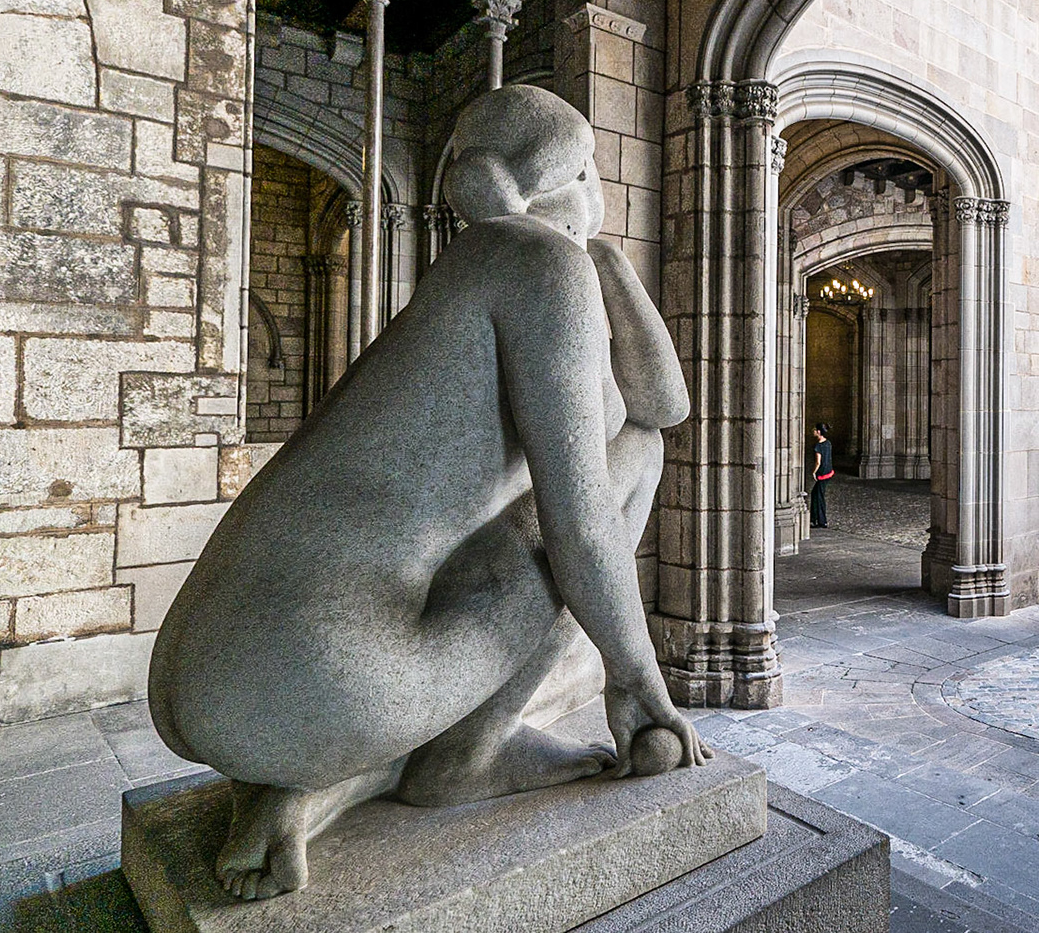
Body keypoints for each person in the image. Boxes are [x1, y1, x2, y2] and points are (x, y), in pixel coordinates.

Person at [148, 85, 708, 900]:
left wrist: (610, 261)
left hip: (206, 673)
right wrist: (639, 681)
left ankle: (302, 784)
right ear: (552, 183)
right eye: (589, 171)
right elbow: (585, 513)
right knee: (635, 463)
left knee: (621, 452)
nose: (602, 193)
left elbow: (663, 399)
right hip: (326, 665)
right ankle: (464, 753)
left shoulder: (470, 276)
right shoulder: (540, 264)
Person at [808, 422, 834, 528]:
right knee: (816, 494)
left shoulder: (818, 445)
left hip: (822, 474)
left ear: (818, 432)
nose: (813, 431)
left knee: (819, 497)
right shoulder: (828, 443)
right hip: (828, 472)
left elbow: (818, 462)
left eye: (814, 430)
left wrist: (813, 472)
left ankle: (821, 521)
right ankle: (815, 519)